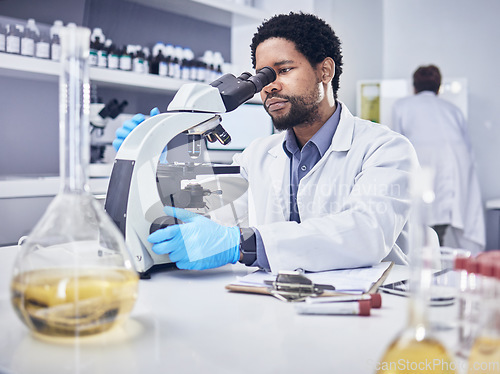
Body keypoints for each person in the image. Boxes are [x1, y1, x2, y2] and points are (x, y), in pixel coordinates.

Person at [115, 12, 419, 273]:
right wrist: (154, 159)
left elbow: (364, 234)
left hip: (369, 315)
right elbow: (202, 215)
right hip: (278, 313)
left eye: (284, 70)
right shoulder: (257, 156)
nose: (270, 87)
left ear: (324, 70)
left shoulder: (385, 149)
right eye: (264, 77)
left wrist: (243, 245)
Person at [392, 65, 485, 253]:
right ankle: (437, 257)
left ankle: (431, 263)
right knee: (443, 215)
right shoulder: (453, 109)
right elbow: (467, 148)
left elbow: (394, 146)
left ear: (414, 87)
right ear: (438, 88)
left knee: (423, 219)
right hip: (455, 168)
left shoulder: (402, 106)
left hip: (423, 165)